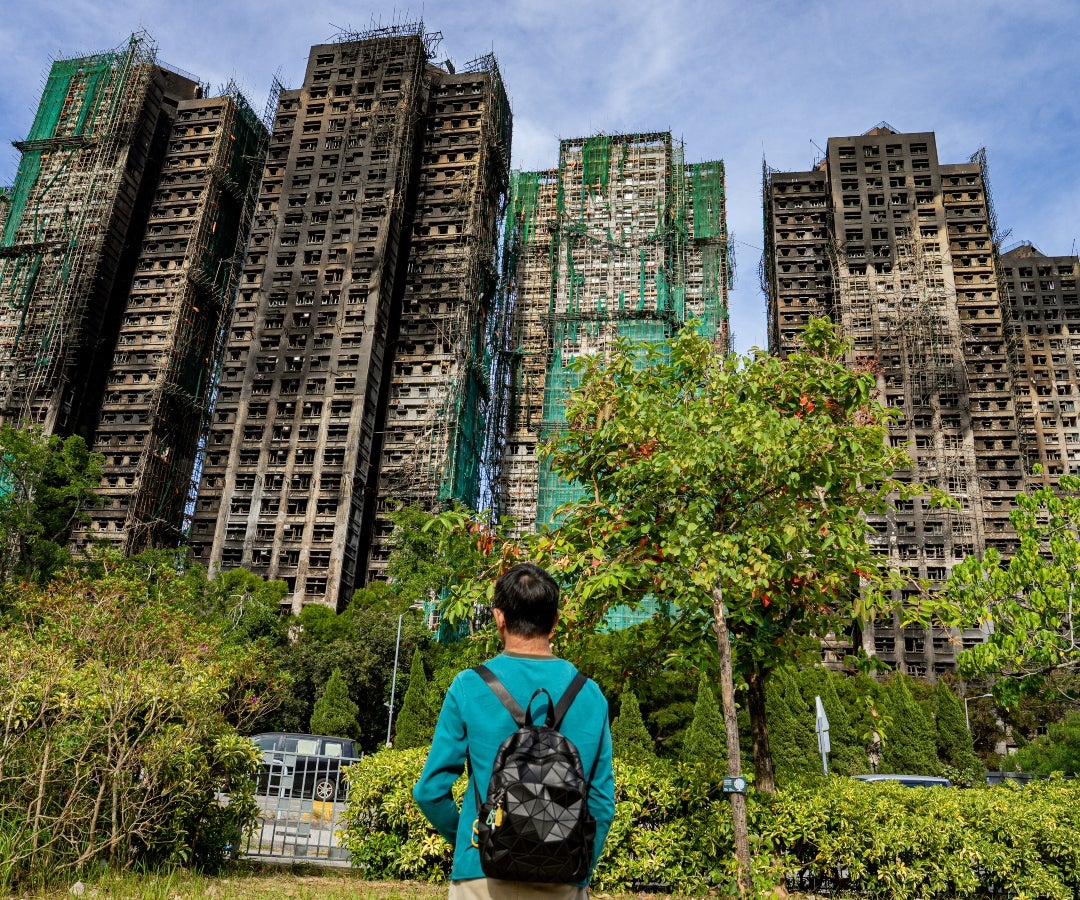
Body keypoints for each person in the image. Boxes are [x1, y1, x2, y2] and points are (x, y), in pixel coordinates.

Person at [414, 562, 615, 900]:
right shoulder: (589, 694)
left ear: (499, 617)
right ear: (555, 621)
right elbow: (602, 803)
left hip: (481, 877)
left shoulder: (469, 686)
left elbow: (429, 792)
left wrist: (477, 841)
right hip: (563, 877)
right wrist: (579, 865)